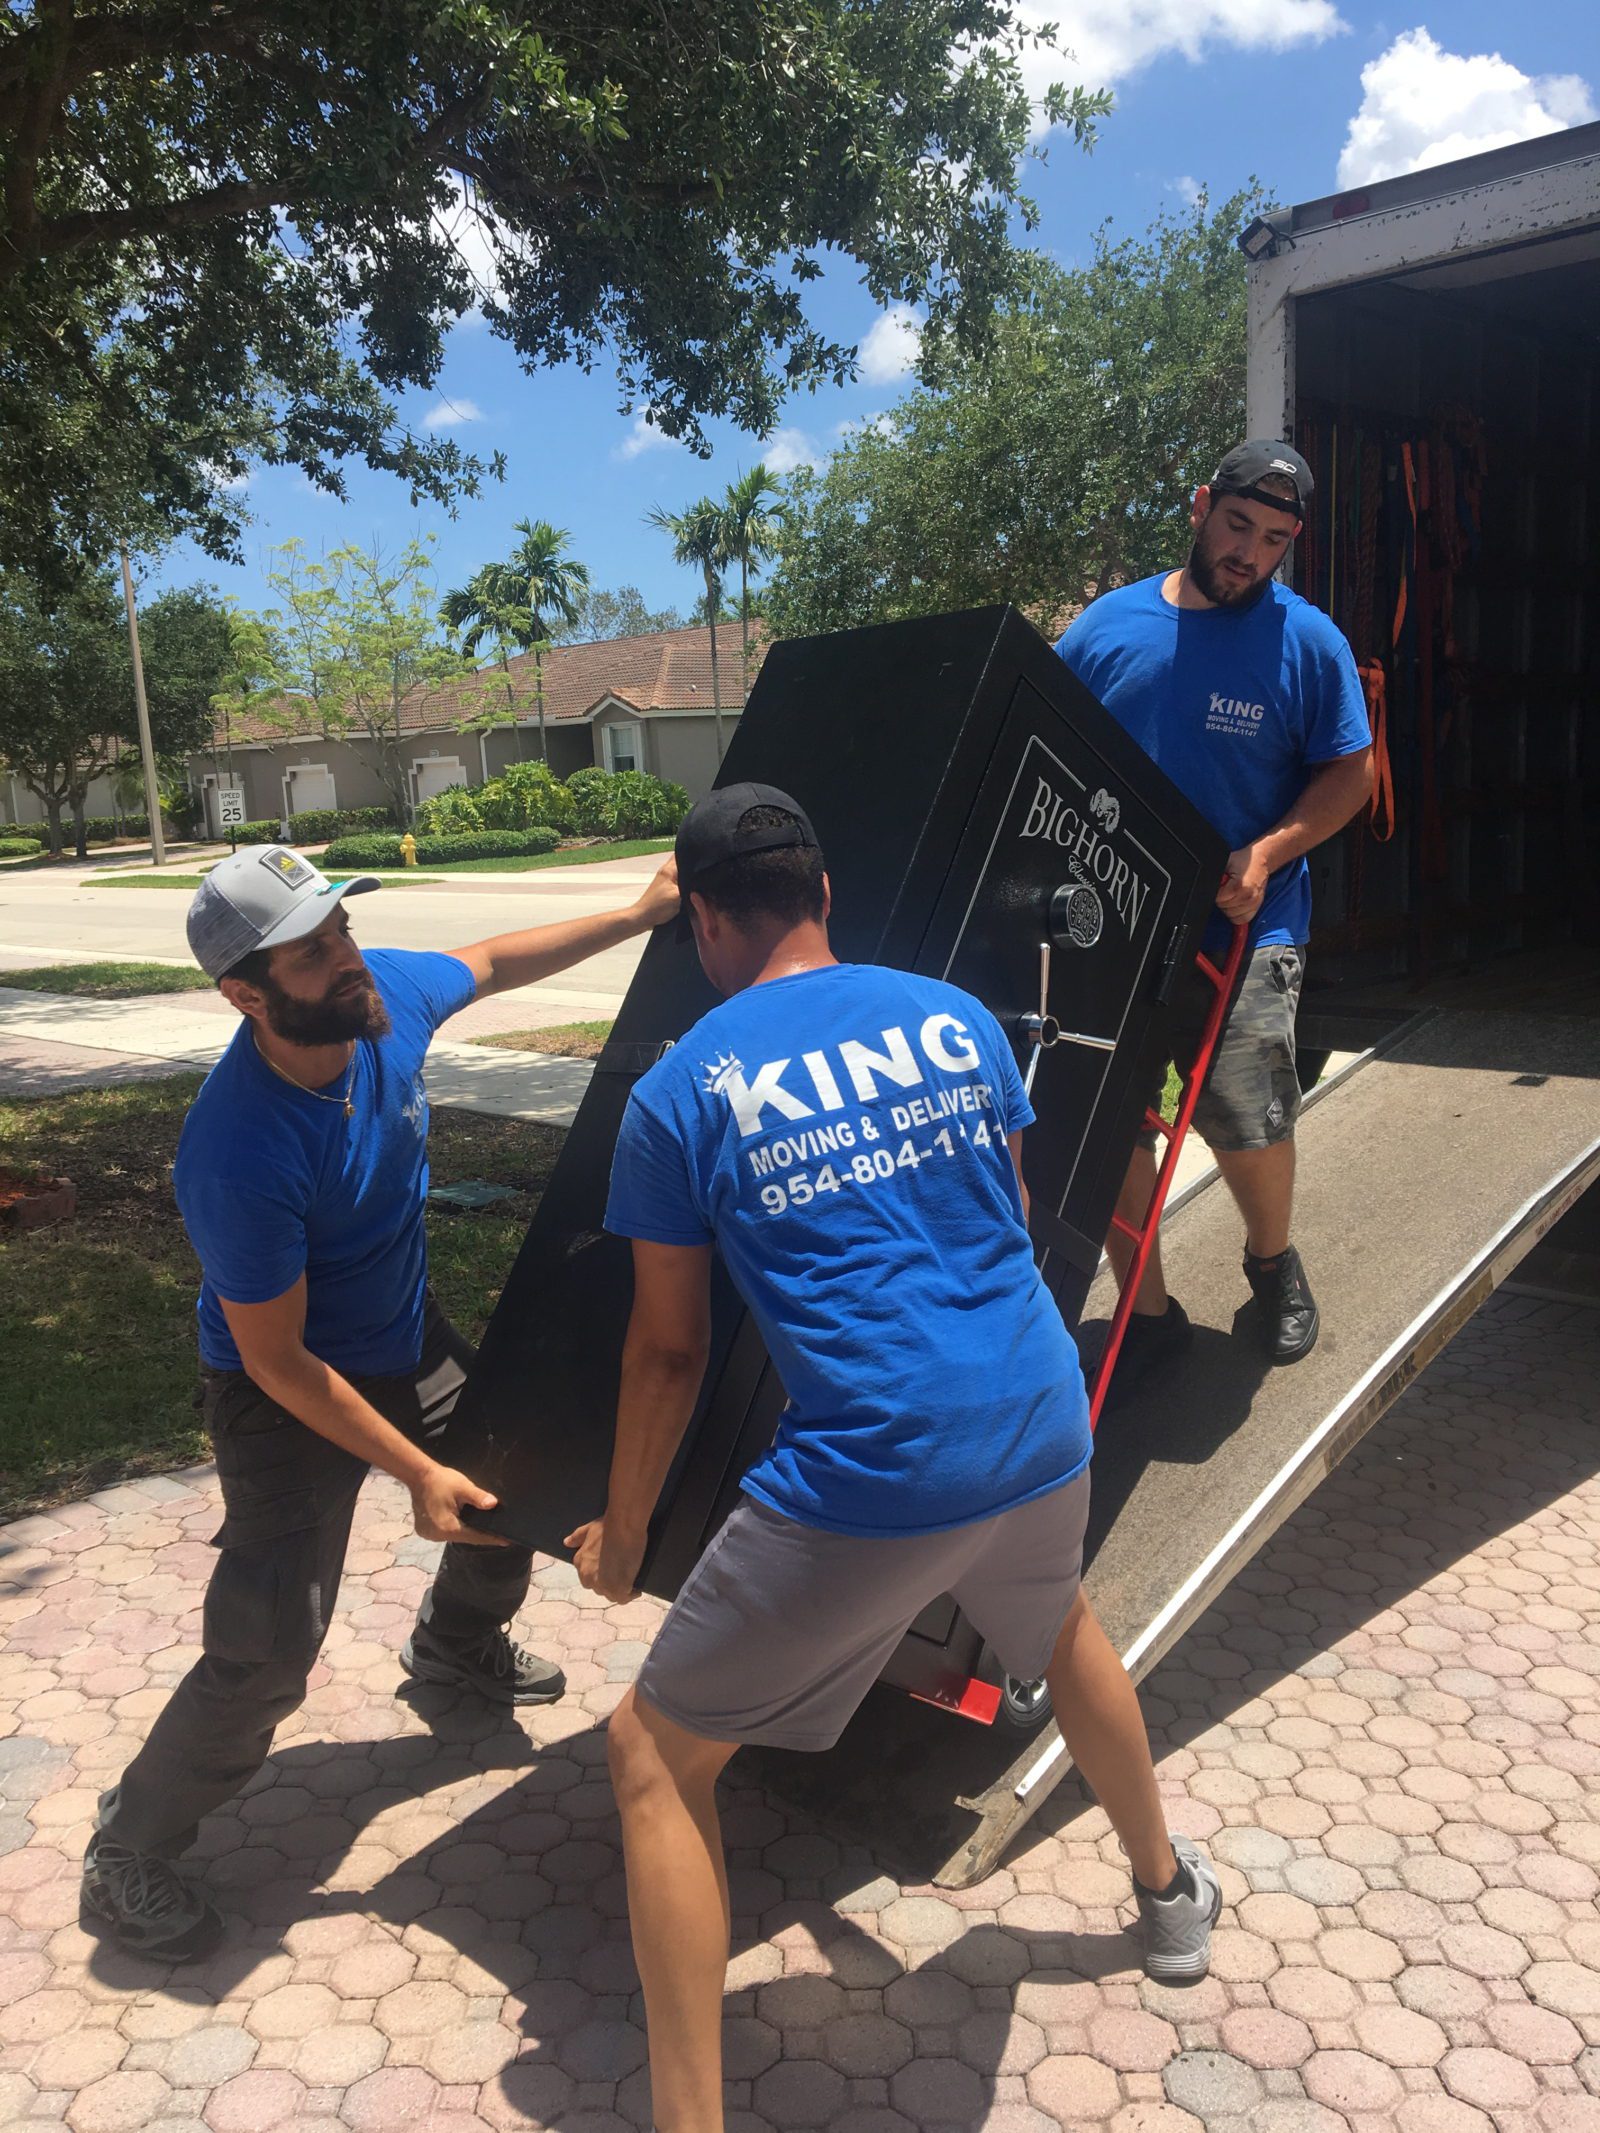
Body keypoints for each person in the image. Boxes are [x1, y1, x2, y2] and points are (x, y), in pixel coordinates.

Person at [567, 784, 1222, 2133]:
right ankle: (1167, 1895)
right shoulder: (959, 1016)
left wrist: (624, 1540)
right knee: (1061, 1623)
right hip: (1040, 1407)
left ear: (702, 916)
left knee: (652, 1756)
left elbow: (670, 1356)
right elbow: (1016, 1207)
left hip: (879, 1461)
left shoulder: (684, 1087)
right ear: (822, 893)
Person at [81, 841, 678, 1959]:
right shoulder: (237, 1148)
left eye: (342, 929)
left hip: (401, 1337)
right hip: (284, 1391)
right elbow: (279, 1362)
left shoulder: (377, 997)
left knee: (511, 1495)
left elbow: (494, 959)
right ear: (245, 994)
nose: (347, 960)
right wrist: (412, 1470)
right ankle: (131, 1847)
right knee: (268, 1649)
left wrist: (640, 913)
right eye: (314, 952)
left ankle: (453, 1646)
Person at [1056, 440, 1373, 1373]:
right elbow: (1057, 751)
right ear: (1201, 506)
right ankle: (1147, 1314)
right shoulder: (1106, 627)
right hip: (1113, 923)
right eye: (1238, 525)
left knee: (1245, 1112)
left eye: (1273, 539)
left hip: (1246, 926)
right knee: (1108, 1122)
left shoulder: (1307, 642)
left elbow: (1351, 772)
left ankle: (1272, 1265)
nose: (1249, 552)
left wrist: (1268, 852)